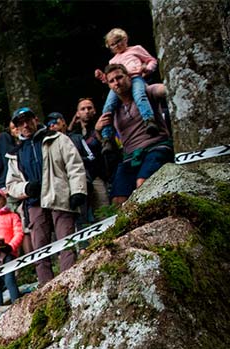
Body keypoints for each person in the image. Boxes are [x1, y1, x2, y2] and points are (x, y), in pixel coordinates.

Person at [5, 107, 87, 286]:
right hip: (34, 203)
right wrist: (26, 188)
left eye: (28, 120)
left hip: (60, 197)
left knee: (66, 243)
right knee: (40, 250)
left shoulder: (57, 138)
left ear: (36, 119)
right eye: (20, 123)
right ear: (16, 127)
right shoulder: (14, 153)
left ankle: (71, 283)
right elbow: (10, 184)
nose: (25, 125)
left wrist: (78, 190)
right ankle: (46, 290)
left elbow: (74, 165)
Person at [96, 64, 172, 205]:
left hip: (157, 147)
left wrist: (169, 86)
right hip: (130, 156)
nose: (117, 83)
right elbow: (110, 144)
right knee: (118, 199)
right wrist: (98, 130)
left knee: (143, 183)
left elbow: (163, 89)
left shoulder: (146, 92)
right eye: (112, 81)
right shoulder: (112, 109)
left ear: (129, 77)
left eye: (119, 77)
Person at [94, 28, 162, 145]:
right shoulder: (112, 61)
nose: (117, 45)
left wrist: (147, 69)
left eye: (118, 41)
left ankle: (149, 120)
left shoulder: (136, 49)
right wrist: (102, 77)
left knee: (139, 95)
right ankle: (107, 137)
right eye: (113, 44)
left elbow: (152, 60)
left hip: (135, 78)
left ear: (125, 39)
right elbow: (112, 79)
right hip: (120, 85)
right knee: (108, 107)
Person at [65, 101, 111, 217]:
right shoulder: (73, 134)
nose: (87, 111)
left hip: (98, 176)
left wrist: (98, 132)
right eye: (83, 109)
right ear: (77, 114)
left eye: (89, 108)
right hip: (80, 179)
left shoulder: (102, 126)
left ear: (94, 110)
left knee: (103, 211)